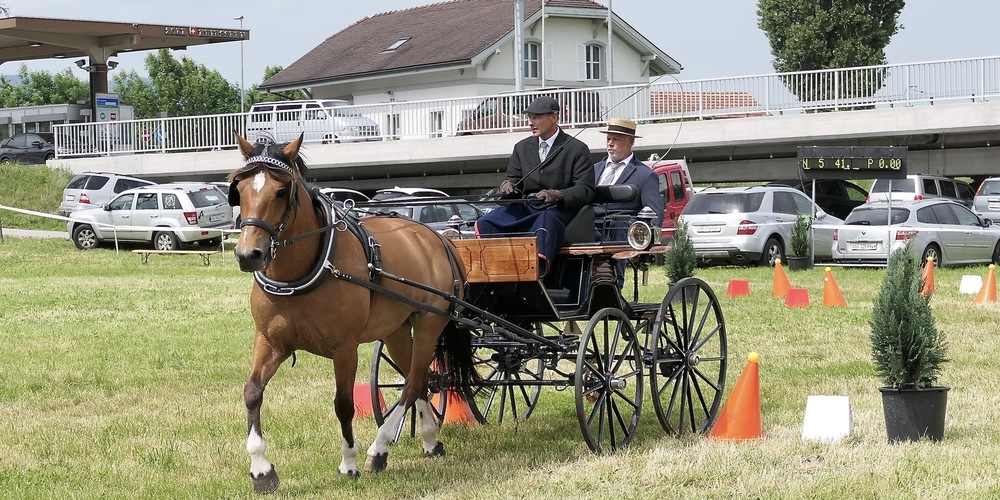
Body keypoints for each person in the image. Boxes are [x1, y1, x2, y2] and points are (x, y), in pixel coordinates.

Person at [475, 96, 596, 276]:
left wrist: (558, 194)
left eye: (536, 117)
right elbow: (513, 178)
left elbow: (586, 190)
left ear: (554, 117)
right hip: (527, 206)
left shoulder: (577, 149)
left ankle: (535, 272)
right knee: (486, 222)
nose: (530, 122)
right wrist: (507, 186)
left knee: (545, 221)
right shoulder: (521, 148)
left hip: (558, 209)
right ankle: (494, 269)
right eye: (529, 117)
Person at [593, 118, 665, 287]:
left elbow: (655, 213)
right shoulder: (593, 169)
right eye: (608, 139)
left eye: (616, 139)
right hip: (590, 224)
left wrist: (642, 235)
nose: (610, 144)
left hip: (619, 229)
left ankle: (614, 285)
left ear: (630, 142)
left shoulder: (645, 175)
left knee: (621, 225)